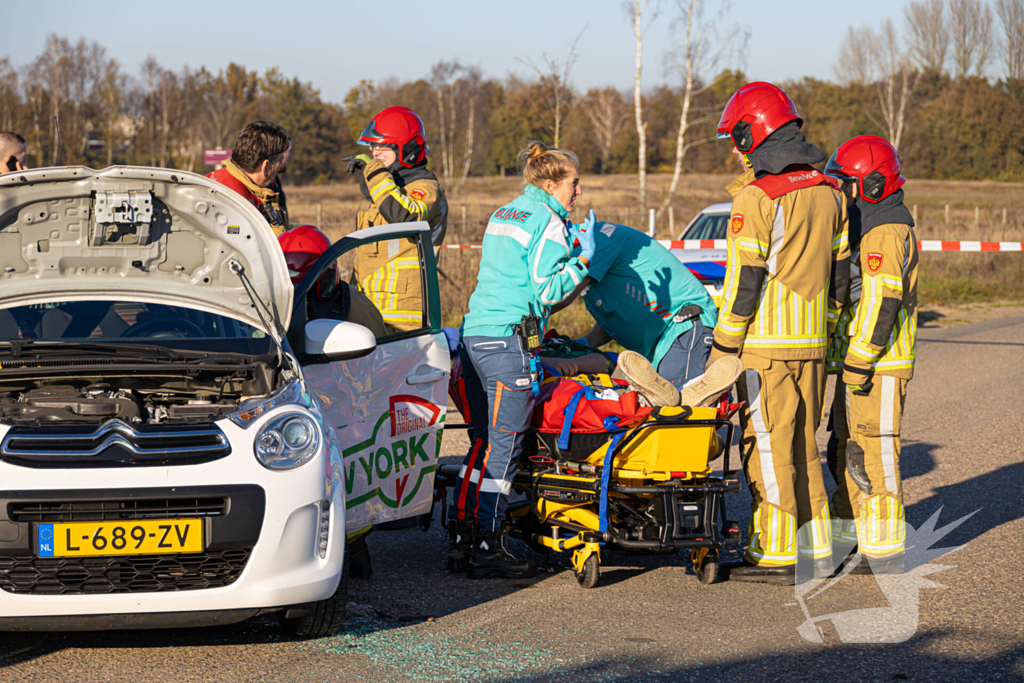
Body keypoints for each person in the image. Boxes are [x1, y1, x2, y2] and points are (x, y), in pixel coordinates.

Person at [711, 82, 850, 585]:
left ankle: (776, 550)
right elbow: (841, 279)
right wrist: (825, 334)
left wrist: (723, 349)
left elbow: (742, 284)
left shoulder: (756, 198)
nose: (735, 149)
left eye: (737, 137)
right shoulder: (830, 192)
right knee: (803, 447)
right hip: (812, 344)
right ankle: (817, 546)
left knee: (767, 448)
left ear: (755, 133)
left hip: (764, 348)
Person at [447, 141, 597, 579]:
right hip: (507, 343)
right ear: (551, 183)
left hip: (474, 336)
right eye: (574, 183)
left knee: (482, 442)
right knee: (505, 447)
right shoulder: (548, 220)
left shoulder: (506, 211)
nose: (579, 192)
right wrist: (585, 259)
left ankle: (461, 537)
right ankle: (490, 546)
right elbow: (548, 290)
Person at [823, 136, 918, 575]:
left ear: (872, 186)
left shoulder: (885, 232)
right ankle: (852, 537)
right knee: (847, 450)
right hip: (858, 365)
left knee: (875, 454)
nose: (841, 193)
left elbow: (882, 303)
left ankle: (884, 551)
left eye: (846, 184)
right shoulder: (869, 227)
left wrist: (860, 361)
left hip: (878, 365)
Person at [549, 220, 739, 407]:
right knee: (663, 409)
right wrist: (585, 342)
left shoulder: (594, 243)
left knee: (677, 408)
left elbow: (560, 297)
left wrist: (531, 316)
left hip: (682, 324)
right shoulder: (586, 255)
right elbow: (615, 313)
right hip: (659, 343)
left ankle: (715, 395)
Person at [346, 106, 448, 332]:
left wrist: (374, 173)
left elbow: (404, 216)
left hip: (403, 321)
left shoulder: (425, 188)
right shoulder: (388, 194)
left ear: (407, 151)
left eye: (383, 148)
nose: (375, 154)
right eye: (373, 147)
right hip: (373, 313)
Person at [278, 225, 387, 341]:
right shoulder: (272, 300)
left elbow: (381, 349)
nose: (289, 293)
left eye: (294, 286)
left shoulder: (361, 312)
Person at [208, 121, 291, 234]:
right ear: (265, 166)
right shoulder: (244, 207)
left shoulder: (212, 181)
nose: (279, 167)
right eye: (279, 161)